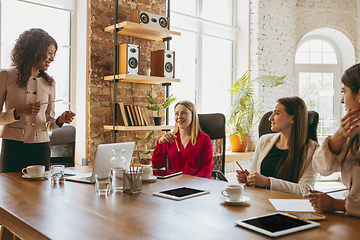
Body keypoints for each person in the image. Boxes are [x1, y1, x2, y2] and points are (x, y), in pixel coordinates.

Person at [0, 28, 75, 173]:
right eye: (49, 53)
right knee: (11, 193)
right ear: (34, 50)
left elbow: (48, 124)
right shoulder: (5, 76)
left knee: (39, 195)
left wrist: (60, 120)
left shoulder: (50, 83)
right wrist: (18, 112)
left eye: (53, 54)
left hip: (41, 149)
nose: (52, 59)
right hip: (13, 147)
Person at [303, 63, 360, 217]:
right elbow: (322, 168)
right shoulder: (353, 133)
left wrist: (339, 204)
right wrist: (339, 136)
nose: (342, 100)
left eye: (344, 92)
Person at [236, 96, 319, 195]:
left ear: (292, 118)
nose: (270, 118)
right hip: (261, 201)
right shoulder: (264, 141)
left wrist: (268, 182)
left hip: (289, 206)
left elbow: (305, 190)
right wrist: (249, 179)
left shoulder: (313, 149)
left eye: (276, 113)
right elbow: (254, 174)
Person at [151, 100, 213, 178]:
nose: (179, 116)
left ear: (192, 115)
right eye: (176, 114)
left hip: (195, 184)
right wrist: (160, 143)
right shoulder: (170, 138)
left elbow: (207, 169)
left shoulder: (203, 138)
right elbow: (157, 165)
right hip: (172, 183)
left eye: (184, 113)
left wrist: (193, 182)